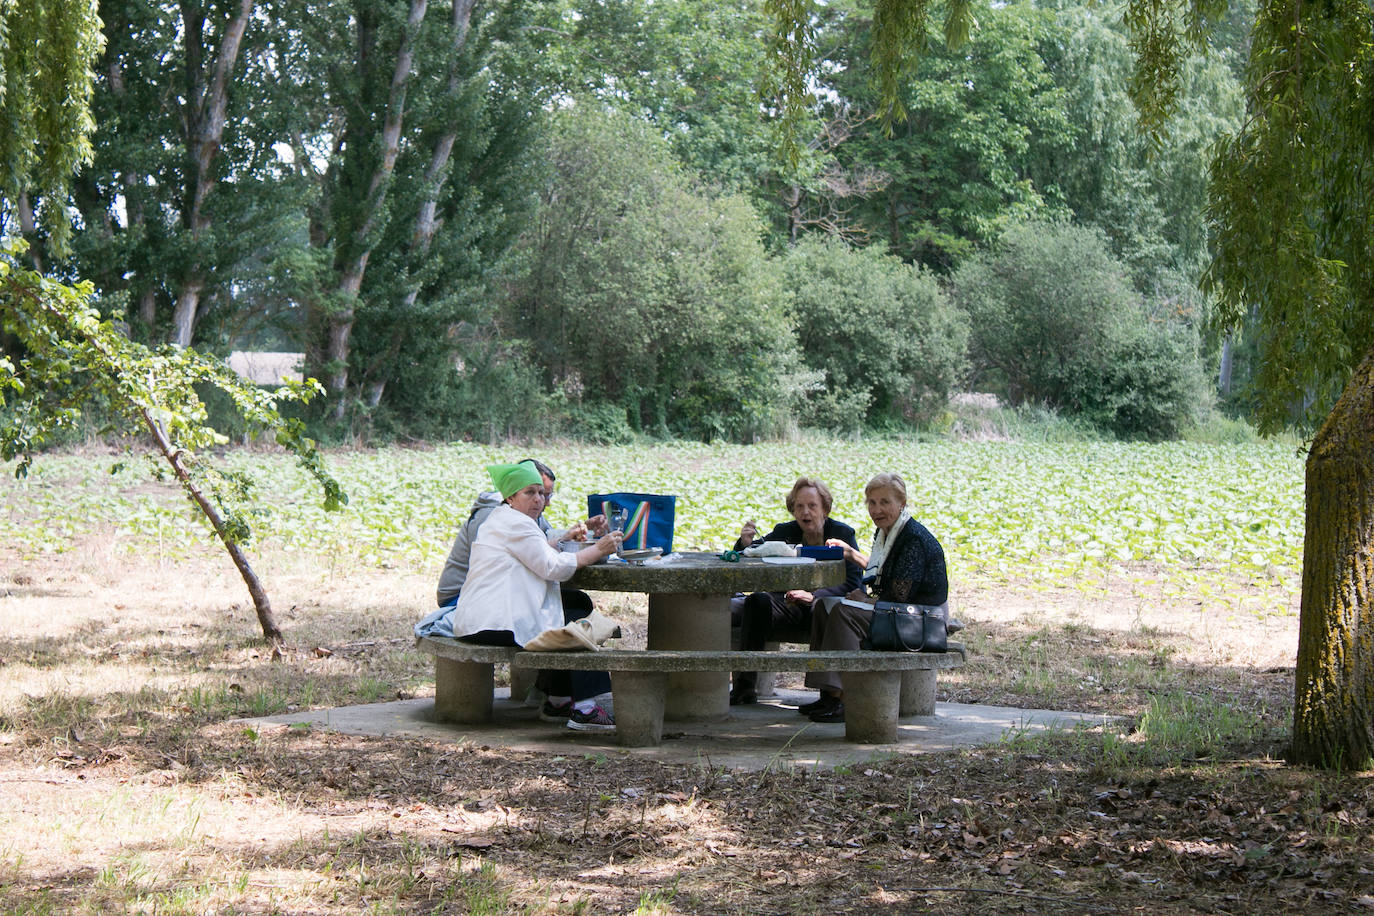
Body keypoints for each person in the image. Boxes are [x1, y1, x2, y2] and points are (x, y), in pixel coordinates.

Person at [441, 460, 623, 731]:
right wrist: (599, 549)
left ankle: (559, 699)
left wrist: (567, 537)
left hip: (485, 617)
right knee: (576, 623)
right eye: (530, 493)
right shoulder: (516, 522)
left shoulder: (507, 518)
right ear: (511, 497)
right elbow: (553, 567)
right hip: (493, 623)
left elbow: (537, 550)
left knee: (577, 603)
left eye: (542, 493)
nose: (539, 500)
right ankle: (585, 708)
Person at [802, 471, 949, 723]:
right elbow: (880, 579)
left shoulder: (912, 538)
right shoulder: (884, 534)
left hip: (922, 621)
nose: (877, 509)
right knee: (825, 605)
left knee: (843, 612)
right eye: (872, 502)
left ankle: (847, 699)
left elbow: (900, 597)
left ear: (902, 504)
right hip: (899, 613)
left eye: (885, 502)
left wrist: (865, 600)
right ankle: (829, 694)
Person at [728, 477, 863, 705]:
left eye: (812, 506)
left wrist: (814, 595)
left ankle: (827, 697)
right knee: (756, 602)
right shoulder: (785, 532)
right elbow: (752, 553)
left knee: (824, 609)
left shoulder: (842, 534)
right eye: (799, 506)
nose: (805, 512)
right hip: (786, 604)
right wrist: (744, 543)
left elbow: (853, 581)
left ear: (825, 509)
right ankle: (744, 688)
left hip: (822, 606)